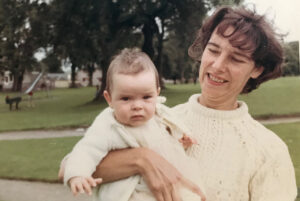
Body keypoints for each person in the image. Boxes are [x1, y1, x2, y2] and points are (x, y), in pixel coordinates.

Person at [60, 6, 298, 201]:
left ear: (257, 69)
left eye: (235, 58)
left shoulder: (269, 151)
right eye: (213, 50)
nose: (216, 66)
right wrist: (142, 159)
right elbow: (69, 166)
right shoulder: (158, 118)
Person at [62, 48, 206, 201]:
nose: (138, 105)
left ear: (157, 94)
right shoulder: (109, 125)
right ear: (109, 98)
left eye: (146, 97)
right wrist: (77, 174)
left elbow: (165, 144)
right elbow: (86, 150)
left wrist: (180, 141)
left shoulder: (159, 116)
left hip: (165, 188)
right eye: (126, 99)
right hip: (130, 193)